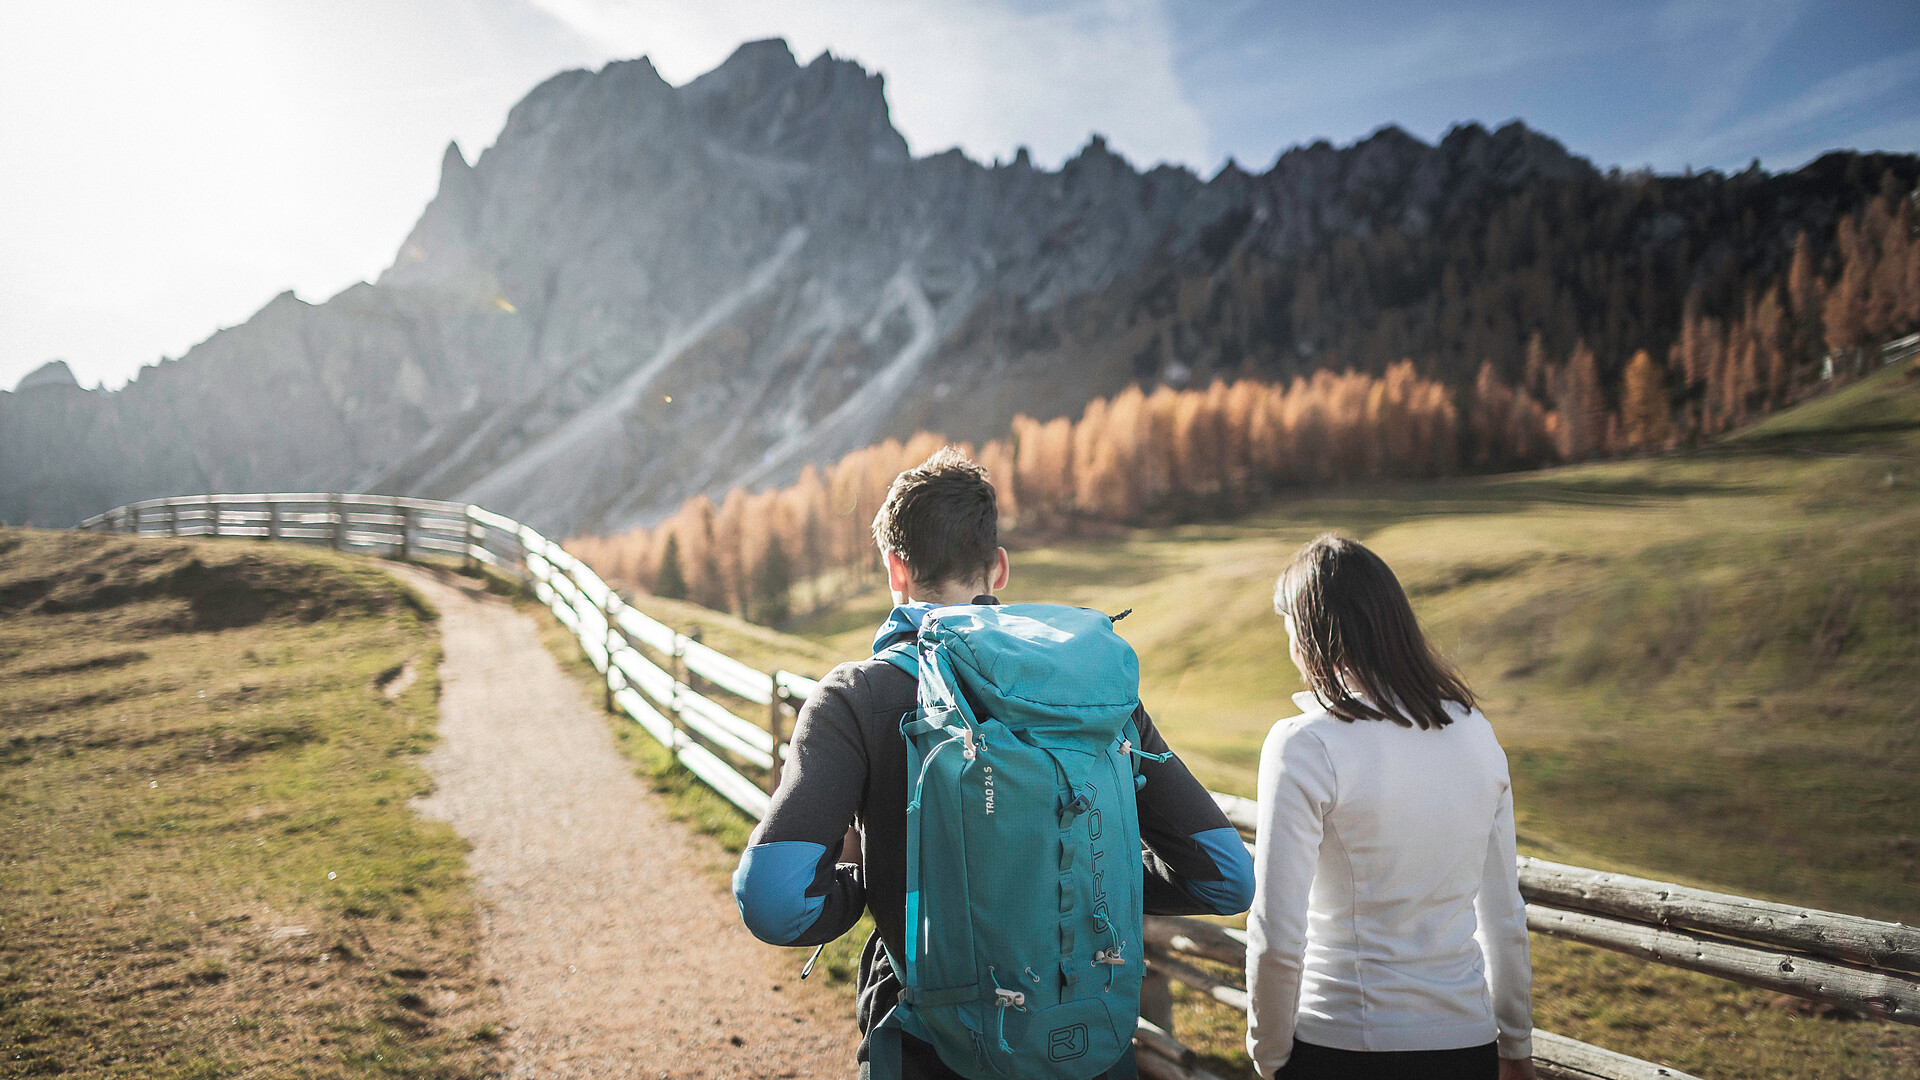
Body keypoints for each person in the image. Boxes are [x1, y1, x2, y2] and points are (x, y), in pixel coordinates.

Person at [734, 447, 1254, 1079]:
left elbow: (774, 899)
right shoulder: (1094, 690)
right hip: (1087, 1050)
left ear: (895, 569)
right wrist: (1081, 885)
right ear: (999, 568)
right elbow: (1225, 876)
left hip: (933, 1050)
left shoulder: (859, 697)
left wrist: (870, 888)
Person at [1246, 534, 1536, 1080]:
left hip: (1342, 1042)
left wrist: (1268, 1053)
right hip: (1466, 1046)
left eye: (1289, 627)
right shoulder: (1477, 734)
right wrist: (1516, 1045)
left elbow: (1277, 928)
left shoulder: (1306, 744)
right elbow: (1503, 915)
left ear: (1313, 634)